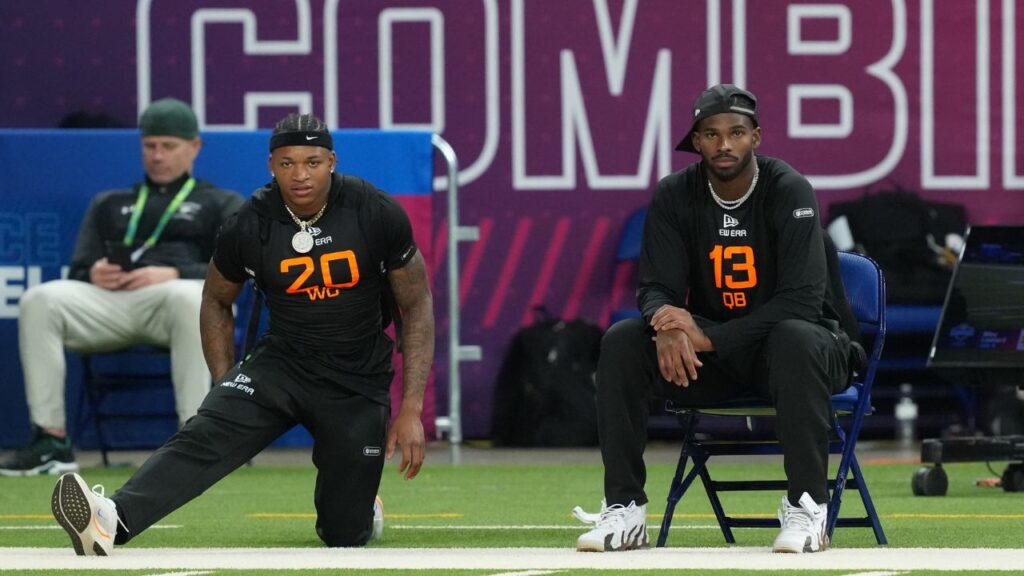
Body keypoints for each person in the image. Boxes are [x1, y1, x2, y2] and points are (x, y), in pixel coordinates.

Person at [49, 112, 435, 554]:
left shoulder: (374, 211)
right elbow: (215, 298)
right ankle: (110, 520)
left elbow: (416, 302)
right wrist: (222, 379)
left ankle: (360, 503)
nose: (300, 175)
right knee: (204, 434)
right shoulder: (249, 221)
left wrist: (411, 407)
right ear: (271, 166)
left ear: (332, 160)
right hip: (282, 364)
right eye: (287, 163)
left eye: (312, 162)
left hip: (356, 377)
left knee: (344, 534)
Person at [574, 84, 861, 553]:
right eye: (711, 133)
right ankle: (624, 509)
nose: (724, 144)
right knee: (624, 341)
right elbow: (656, 288)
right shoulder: (674, 194)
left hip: (803, 354)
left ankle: (808, 508)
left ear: (756, 138)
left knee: (794, 337)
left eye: (736, 132)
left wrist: (707, 338)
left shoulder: (789, 189)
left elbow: (803, 302)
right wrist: (666, 324)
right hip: (720, 360)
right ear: (697, 141)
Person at [0, 98, 244, 477]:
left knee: (189, 296)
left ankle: (197, 438)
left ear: (194, 147)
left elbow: (238, 270)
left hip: (180, 303)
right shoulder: (111, 203)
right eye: (150, 146)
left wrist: (176, 273)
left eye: (168, 146)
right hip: (112, 304)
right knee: (40, 299)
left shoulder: (220, 202)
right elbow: (78, 268)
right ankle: (51, 442)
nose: (158, 156)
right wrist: (94, 273)